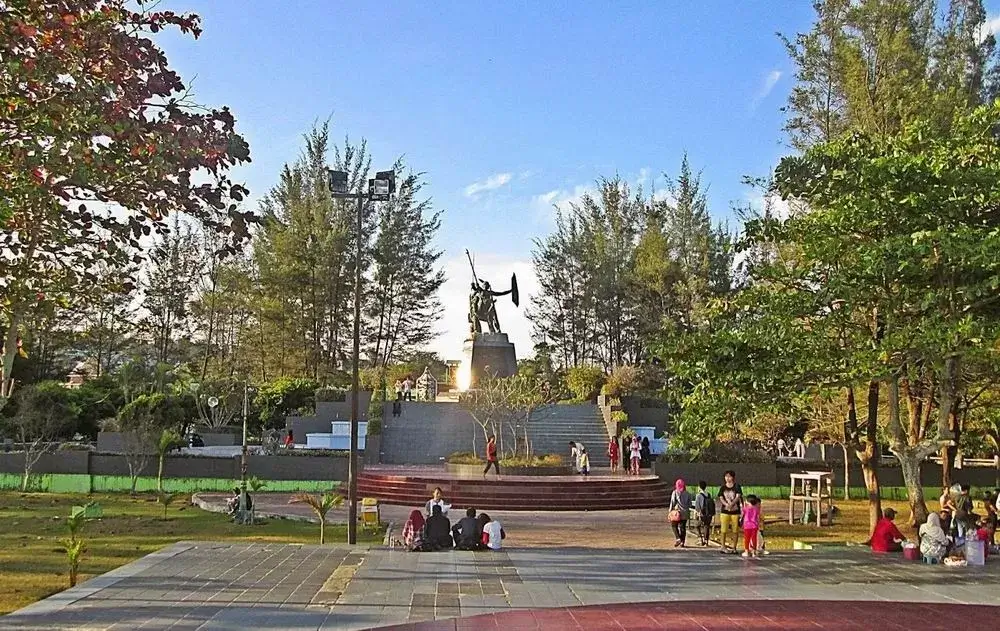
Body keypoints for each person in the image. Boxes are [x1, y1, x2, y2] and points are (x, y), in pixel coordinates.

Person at [717, 470, 743, 554]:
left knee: (735, 530)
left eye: (729, 476)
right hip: (725, 511)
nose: (727, 478)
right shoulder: (723, 487)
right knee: (723, 530)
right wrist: (726, 505)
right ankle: (723, 546)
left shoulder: (737, 486)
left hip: (735, 512)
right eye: (726, 476)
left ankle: (734, 547)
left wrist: (732, 504)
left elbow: (738, 496)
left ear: (733, 477)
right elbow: (721, 497)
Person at [668, 478, 692, 547]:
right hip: (685, 513)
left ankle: (678, 538)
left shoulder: (675, 492)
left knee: (674, 525)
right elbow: (690, 504)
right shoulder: (688, 494)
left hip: (677, 513)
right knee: (683, 527)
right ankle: (682, 542)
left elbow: (672, 503)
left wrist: (670, 511)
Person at [695, 480, 715, 547]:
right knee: (706, 526)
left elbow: (697, 506)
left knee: (697, 526)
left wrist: (698, 513)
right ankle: (706, 541)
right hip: (709, 514)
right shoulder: (708, 494)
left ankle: (700, 539)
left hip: (702, 514)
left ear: (699, 487)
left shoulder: (698, 495)